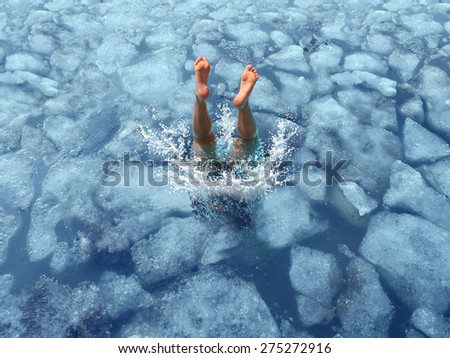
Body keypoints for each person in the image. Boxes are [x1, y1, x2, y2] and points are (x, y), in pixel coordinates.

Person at [191, 56, 260, 162]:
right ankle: (243, 106)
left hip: (205, 177)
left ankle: (200, 99)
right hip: (241, 177)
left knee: (202, 140)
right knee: (249, 143)